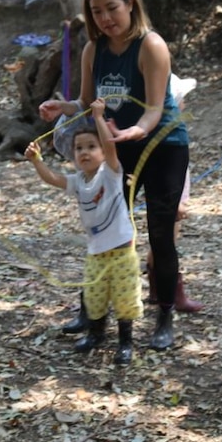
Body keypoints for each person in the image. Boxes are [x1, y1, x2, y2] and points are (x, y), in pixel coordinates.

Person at [40, 0, 199, 350]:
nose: (106, 18)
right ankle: (92, 311)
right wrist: (63, 107)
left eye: (112, 8)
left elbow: (155, 109)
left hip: (162, 145)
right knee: (105, 225)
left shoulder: (151, 45)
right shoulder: (93, 50)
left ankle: (163, 315)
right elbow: (87, 102)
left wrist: (135, 131)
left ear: (130, 4)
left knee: (160, 232)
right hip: (118, 146)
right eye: (96, 12)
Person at [25, 98, 142, 365]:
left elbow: (111, 149)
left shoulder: (111, 174)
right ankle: (96, 334)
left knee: (125, 298)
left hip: (122, 251)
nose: (84, 152)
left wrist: (99, 117)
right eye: (79, 148)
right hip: (96, 253)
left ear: (102, 152)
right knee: (95, 296)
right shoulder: (78, 182)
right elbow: (53, 179)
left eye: (91, 147)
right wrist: (36, 161)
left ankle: (125, 342)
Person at [145, 73, 203, 312]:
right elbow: (165, 176)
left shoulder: (174, 132)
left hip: (177, 194)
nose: (184, 105)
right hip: (171, 197)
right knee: (167, 241)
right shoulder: (166, 138)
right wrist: (176, 203)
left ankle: (157, 289)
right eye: (181, 100)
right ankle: (171, 291)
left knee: (163, 240)